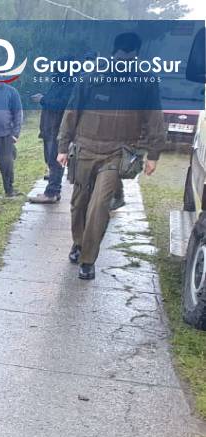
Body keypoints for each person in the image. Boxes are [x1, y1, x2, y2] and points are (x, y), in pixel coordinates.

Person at [57, 32, 167, 280]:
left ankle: (88, 259)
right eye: (121, 56)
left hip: (117, 154)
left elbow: (154, 118)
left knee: (100, 205)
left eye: (128, 58)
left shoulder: (146, 82)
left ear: (136, 56)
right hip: (84, 149)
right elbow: (72, 111)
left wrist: (154, 154)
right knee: (78, 204)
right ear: (113, 53)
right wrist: (63, 147)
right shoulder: (91, 77)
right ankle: (78, 243)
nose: (124, 61)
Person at [29, 56, 75, 204]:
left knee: (56, 161)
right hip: (49, 128)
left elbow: (61, 104)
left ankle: (51, 192)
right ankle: (54, 191)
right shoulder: (59, 81)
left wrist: (43, 99)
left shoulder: (69, 83)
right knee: (50, 159)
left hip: (57, 129)